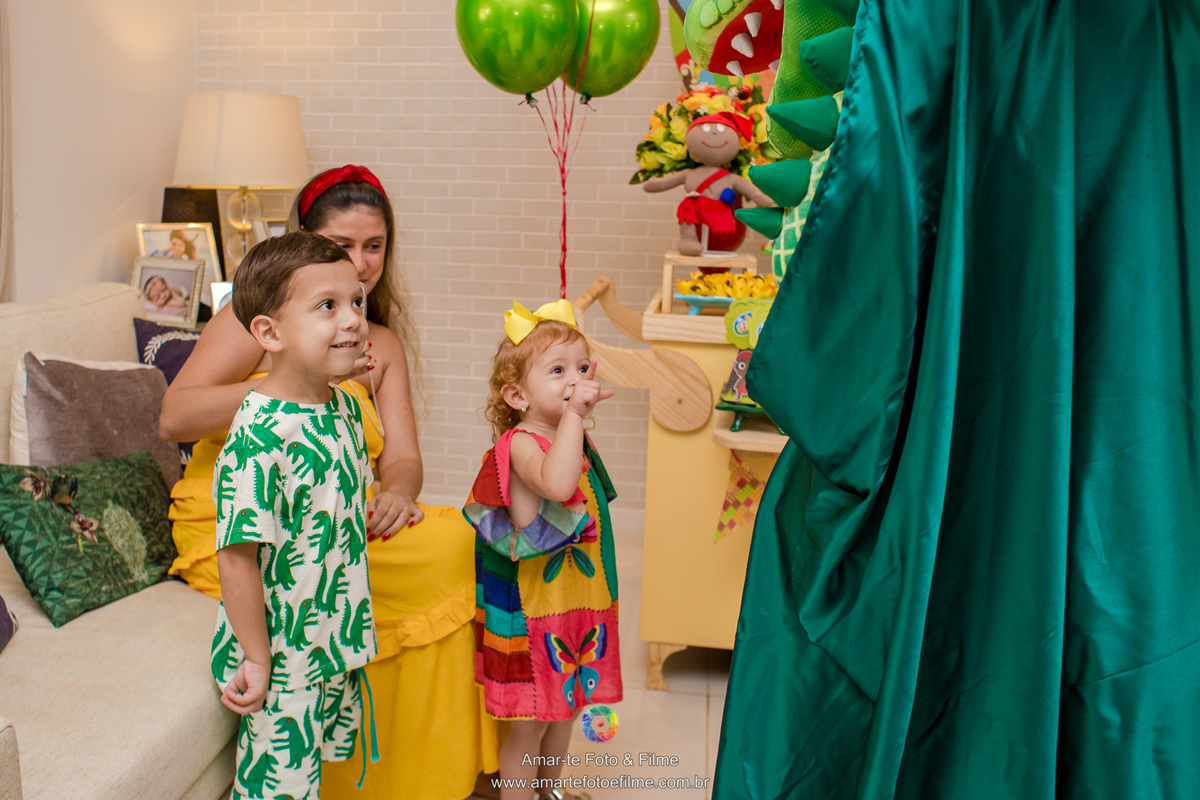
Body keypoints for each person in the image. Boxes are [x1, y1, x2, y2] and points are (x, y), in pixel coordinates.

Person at [160, 165, 500, 800]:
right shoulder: (265, 324)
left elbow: (403, 457)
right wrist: (295, 380)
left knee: (468, 540)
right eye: (343, 245)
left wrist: (397, 492)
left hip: (333, 511)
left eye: (375, 247)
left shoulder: (375, 344)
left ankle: (436, 771)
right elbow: (174, 416)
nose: (362, 264)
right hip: (247, 514)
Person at [211, 230, 377, 799]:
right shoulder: (258, 439)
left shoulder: (344, 405)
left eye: (356, 301)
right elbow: (236, 559)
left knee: (313, 774)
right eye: (327, 306)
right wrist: (258, 658)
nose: (352, 319)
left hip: (332, 631)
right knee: (277, 786)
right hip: (284, 651)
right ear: (270, 333)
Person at [464, 301, 622, 800]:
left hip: (572, 604)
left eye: (582, 367)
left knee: (566, 707)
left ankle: (549, 792)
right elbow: (557, 485)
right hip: (533, 613)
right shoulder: (522, 444)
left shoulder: (568, 437)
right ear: (517, 395)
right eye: (558, 371)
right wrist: (574, 415)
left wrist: (572, 419)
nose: (575, 379)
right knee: (531, 720)